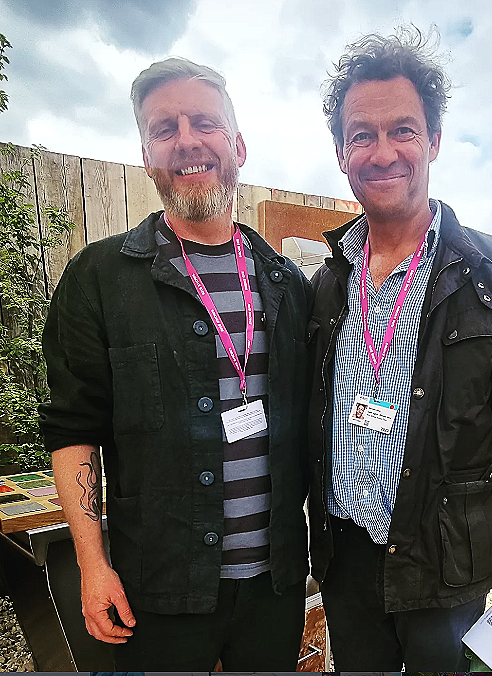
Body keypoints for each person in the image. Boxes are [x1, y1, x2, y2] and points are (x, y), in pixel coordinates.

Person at [306, 28, 492, 671]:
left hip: (445, 562)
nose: (383, 152)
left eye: (402, 130)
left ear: (432, 140)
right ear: (342, 153)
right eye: (362, 135)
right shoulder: (326, 282)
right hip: (346, 562)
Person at [39, 57, 311, 671]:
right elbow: (73, 428)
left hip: (274, 590)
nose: (186, 141)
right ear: (147, 155)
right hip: (158, 592)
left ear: (238, 145)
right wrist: (92, 564)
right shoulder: (100, 280)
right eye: (164, 129)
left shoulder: (287, 285)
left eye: (205, 123)